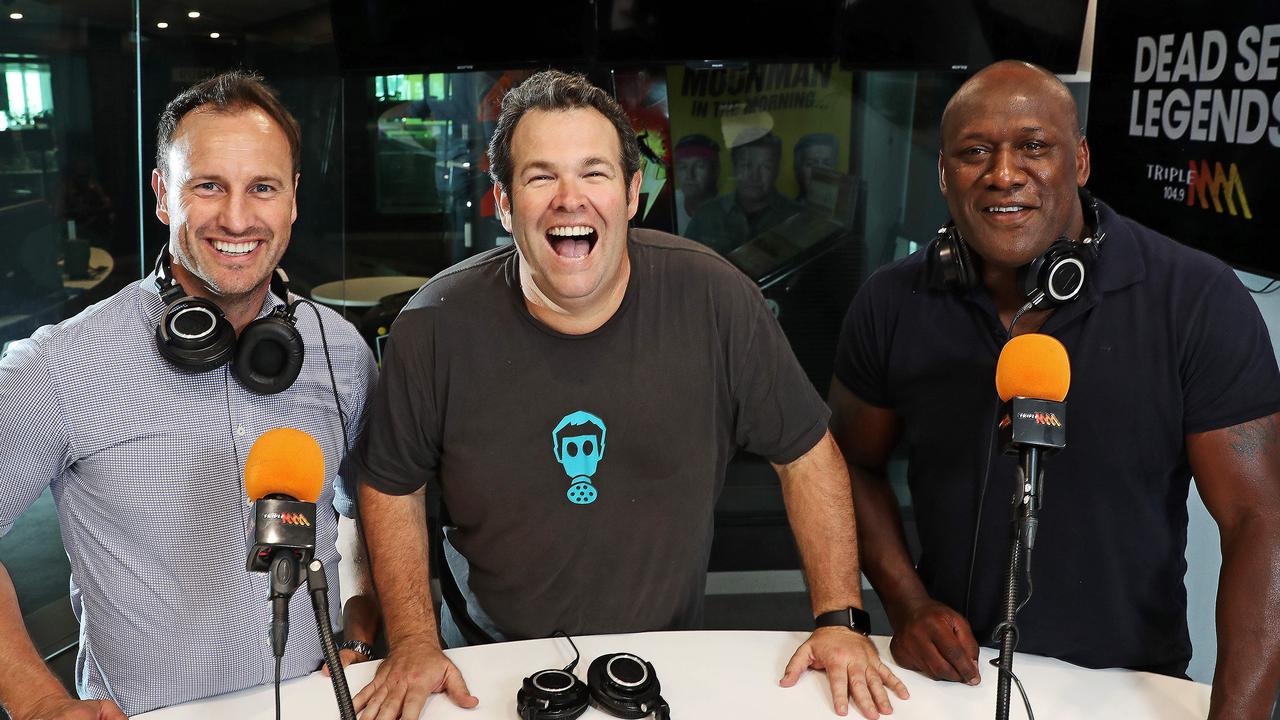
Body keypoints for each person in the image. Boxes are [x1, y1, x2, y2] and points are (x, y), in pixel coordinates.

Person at [352, 69, 908, 720]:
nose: (570, 199)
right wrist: (414, 640)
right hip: (481, 664)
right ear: (502, 202)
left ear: (632, 191)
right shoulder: (434, 324)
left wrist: (840, 619)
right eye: (540, 176)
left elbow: (808, 456)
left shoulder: (717, 300)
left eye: (594, 172)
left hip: (666, 659)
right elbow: (392, 484)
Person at [829, 60, 1280, 719]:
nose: (1004, 173)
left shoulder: (1195, 298)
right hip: (951, 682)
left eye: (1034, 146)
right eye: (975, 151)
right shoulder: (892, 302)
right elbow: (849, 463)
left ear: (1082, 160)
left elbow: (1258, 520)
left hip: (1129, 686)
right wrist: (907, 602)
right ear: (944, 173)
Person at [0, 71, 380, 718]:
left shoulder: (340, 350)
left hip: (318, 703)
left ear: (292, 200)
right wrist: (37, 701)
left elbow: (374, 505)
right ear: (162, 197)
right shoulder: (60, 363)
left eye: (262, 187)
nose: (237, 217)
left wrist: (364, 633)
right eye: (208, 186)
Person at [686, 131, 801, 255]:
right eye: (746, 165)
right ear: (734, 168)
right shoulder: (706, 215)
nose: (755, 176)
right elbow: (686, 263)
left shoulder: (798, 217)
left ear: (777, 170)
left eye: (765, 167)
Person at [672, 133, 720, 233]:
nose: (690, 176)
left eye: (700, 166)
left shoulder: (731, 214)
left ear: (715, 171)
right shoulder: (669, 203)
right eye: (683, 167)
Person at [793, 133, 839, 204]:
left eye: (827, 164)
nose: (820, 170)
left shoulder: (847, 211)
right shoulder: (789, 213)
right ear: (798, 170)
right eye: (811, 164)